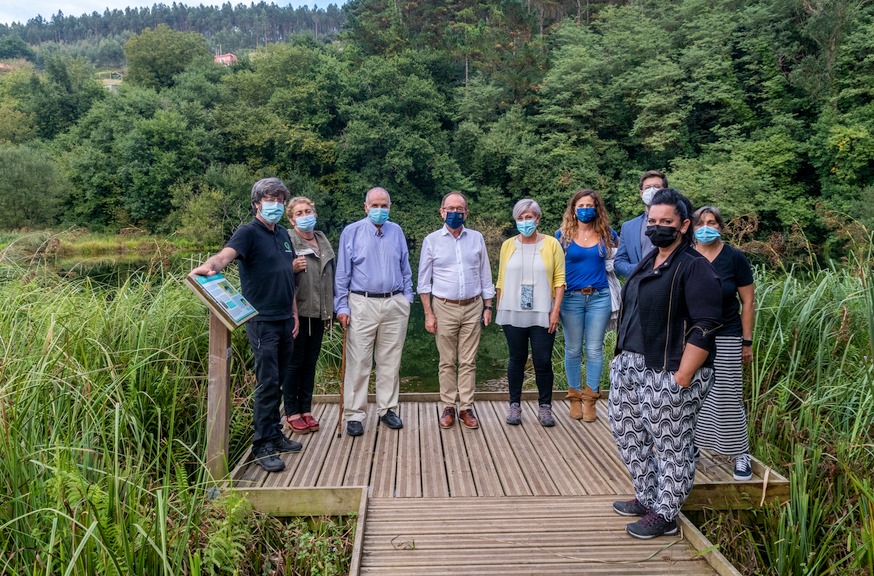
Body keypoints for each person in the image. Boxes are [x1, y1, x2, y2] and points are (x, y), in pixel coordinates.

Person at [608, 188, 722, 539]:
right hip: (631, 362)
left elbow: (706, 325)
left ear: (684, 225)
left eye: (667, 222)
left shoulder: (694, 267)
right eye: (653, 221)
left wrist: (683, 376)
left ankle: (666, 513)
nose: (658, 227)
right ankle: (646, 495)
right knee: (628, 432)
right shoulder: (649, 259)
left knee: (671, 441)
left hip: (669, 367)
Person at [191, 177, 302, 473]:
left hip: (283, 318)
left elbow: (287, 277)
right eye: (270, 199)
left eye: (280, 199)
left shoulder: (282, 233)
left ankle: (275, 434)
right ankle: (262, 444)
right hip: (262, 320)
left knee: (278, 380)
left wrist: (293, 313)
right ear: (256, 204)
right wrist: (209, 266)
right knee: (266, 382)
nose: (276, 205)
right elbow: (224, 256)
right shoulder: (248, 232)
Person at [334, 187, 414, 437]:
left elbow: (405, 268)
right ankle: (355, 414)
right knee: (359, 362)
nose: (380, 210)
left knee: (390, 361)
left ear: (390, 207)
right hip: (362, 302)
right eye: (375, 205)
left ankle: (387, 409)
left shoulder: (397, 231)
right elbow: (342, 274)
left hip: (394, 302)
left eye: (385, 205)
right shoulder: (352, 232)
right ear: (366, 207)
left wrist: (407, 299)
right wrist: (342, 305)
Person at [418, 192, 496, 429]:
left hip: (473, 306)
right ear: (442, 212)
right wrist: (428, 314)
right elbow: (423, 282)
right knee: (447, 361)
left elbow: (485, 274)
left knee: (469, 361)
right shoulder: (431, 240)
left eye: (459, 209)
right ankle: (449, 406)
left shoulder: (477, 238)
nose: (455, 212)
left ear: (466, 213)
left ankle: (466, 407)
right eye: (450, 208)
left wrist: (488, 305)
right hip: (444, 307)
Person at [691, 206, 756, 481]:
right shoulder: (687, 254)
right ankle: (691, 446)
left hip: (727, 333)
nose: (707, 227)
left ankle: (740, 453)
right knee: (691, 393)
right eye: (701, 223)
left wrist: (747, 341)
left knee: (727, 393)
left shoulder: (734, 258)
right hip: (693, 335)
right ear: (691, 227)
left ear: (721, 227)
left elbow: (748, 301)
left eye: (712, 222)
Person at [495, 199, 565, 427]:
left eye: (529, 217)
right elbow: (501, 279)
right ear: (516, 220)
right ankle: (514, 405)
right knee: (516, 359)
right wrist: (499, 306)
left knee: (543, 361)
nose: (525, 222)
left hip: (543, 311)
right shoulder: (507, 245)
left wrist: (555, 311)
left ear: (538, 219)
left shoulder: (552, 244)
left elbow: (559, 280)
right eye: (521, 218)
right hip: (513, 311)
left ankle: (545, 407)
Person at [556, 189, 618, 423]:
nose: (584, 210)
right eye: (580, 206)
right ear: (573, 209)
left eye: (589, 205)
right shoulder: (563, 235)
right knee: (572, 349)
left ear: (596, 208)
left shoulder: (606, 233)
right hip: (571, 298)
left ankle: (591, 399)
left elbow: (620, 256)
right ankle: (574, 397)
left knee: (594, 349)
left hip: (599, 297)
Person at [283, 196, 336, 435]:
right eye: (299, 213)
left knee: (310, 363)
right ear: (292, 219)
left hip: (319, 312)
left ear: (315, 213)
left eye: (308, 211)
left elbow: (331, 275)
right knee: (294, 363)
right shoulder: (287, 240)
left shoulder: (322, 239)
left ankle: (306, 409)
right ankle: (291, 412)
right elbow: (277, 272)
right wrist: (289, 267)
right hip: (298, 312)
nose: (305, 216)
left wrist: (332, 311)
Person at [614, 170, 669, 278]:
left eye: (657, 187)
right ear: (641, 193)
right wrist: (639, 269)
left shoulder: (677, 223)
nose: (652, 191)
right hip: (640, 287)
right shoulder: (628, 227)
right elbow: (619, 262)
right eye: (647, 188)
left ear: (665, 191)